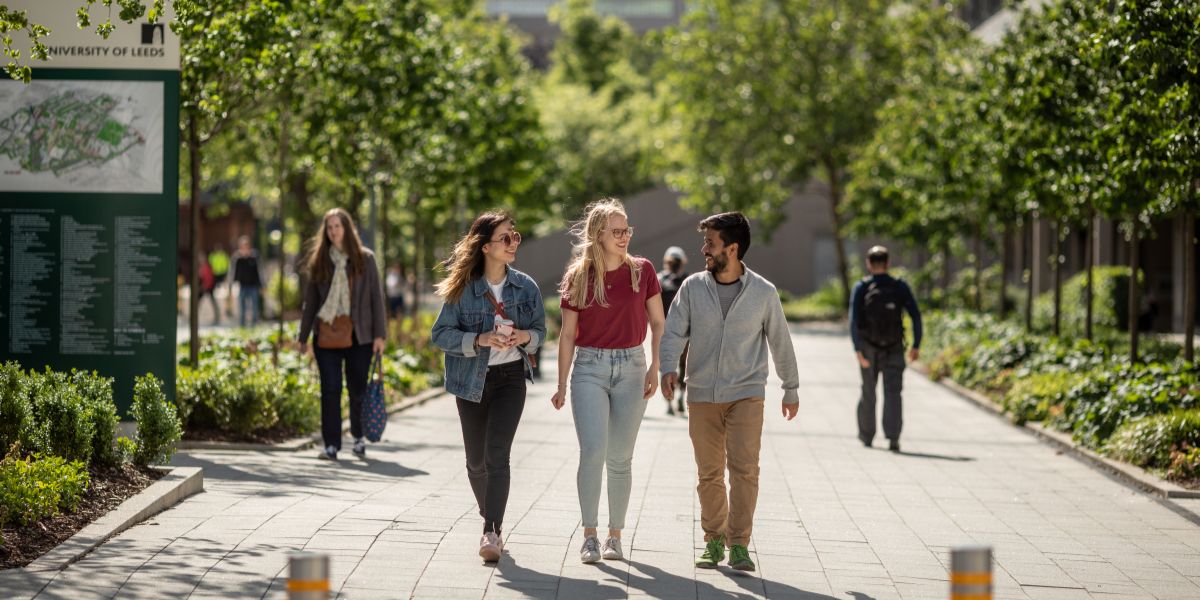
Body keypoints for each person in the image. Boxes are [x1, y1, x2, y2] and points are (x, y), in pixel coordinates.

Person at [659, 211, 800, 573]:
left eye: (711, 242)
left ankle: (739, 544)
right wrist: (668, 367)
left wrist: (790, 387)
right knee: (709, 473)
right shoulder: (692, 287)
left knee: (744, 470)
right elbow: (674, 330)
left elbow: (780, 340)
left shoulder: (763, 292)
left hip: (746, 393)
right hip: (702, 393)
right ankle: (713, 541)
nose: (704, 248)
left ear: (732, 248)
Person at [550, 198, 665, 565]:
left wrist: (655, 367)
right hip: (589, 369)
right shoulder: (578, 276)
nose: (624, 236)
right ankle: (589, 536)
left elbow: (659, 323)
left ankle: (616, 535)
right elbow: (567, 335)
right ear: (597, 234)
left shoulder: (642, 271)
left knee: (620, 458)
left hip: (633, 367)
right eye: (616, 231)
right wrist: (561, 383)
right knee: (593, 452)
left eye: (627, 229)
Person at [431, 211, 545, 563]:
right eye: (505, 238)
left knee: (498, 456)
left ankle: (491, 530)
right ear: (485, 246)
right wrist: (479, 339)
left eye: (516, 236)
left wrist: (525, 336)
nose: (513, 243)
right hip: (470, 382)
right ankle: (489, 516)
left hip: (510, 379)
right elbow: (440, 335)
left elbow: (541, 332)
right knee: (476, 462)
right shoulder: (462, 288)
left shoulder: (526, 287)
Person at [298, 209, 387, 461]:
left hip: (360, 335)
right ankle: (331, 445)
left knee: (357, 388)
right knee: (330, 389)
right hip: (326, 334)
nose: (333, 231)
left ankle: (358, 437)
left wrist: (380, 335)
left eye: (337, 226)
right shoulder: (320, 261)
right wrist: (303, 337)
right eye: (329, 227)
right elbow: (311, 302)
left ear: (347, 228)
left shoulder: (365, 259)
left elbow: (375, 299)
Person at [849, 245, 922, 453]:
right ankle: (893, 438)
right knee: (893, 393)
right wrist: (916, 344)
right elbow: (915, 315)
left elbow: (853, 320)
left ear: (868, 264)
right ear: (888, 263)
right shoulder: (899, 286)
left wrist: (857, 349)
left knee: (868, 391)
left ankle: (867, 436)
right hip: (894, 348)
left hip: (868, 347)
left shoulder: (862, 287)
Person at [658, 246, 689, 416]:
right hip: (665, 330)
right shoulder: (660, 279)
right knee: (666, 365)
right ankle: (669, 400)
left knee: (684, 365)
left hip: (686, 330)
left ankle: (680, 396)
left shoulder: (688, 281)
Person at [230, 236, 264, 327]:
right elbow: (234, 273)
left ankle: (254, 325)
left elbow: (259, 272)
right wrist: (232, 285)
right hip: (242, 286)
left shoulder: (254, 257)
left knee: (254, 308)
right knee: (242, 308)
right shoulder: (238, 258)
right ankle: (242, 326)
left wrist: (261, 285)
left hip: (253, 286)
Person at [209, 243, 231, 317]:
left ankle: (228, 309)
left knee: (225, 293)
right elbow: (209, 266)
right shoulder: (212, 256)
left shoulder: (224, 256)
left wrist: (226, 276)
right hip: (214, 275)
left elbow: (228, 266)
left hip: (223, 275)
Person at [198, 256, 220, 325]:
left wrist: (205, 287)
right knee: (198, 302)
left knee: (212, 303)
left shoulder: (206, 268)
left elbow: (209, 279)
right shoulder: (202, 267)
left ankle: (216, 318)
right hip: (204, 287)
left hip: (208, 288)